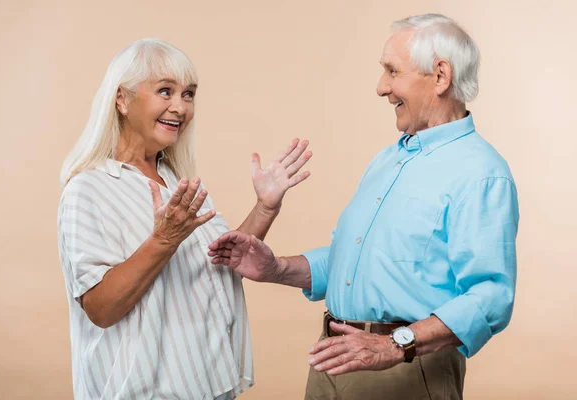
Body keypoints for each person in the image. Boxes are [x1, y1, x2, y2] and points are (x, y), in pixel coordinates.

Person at [208, 13, 519, 399]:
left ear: (440, 76)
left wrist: (395, 345)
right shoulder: (387, 160)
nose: (381, 88)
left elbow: (491, 297)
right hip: (334, 361)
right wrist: (278, 269)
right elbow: (355, 262)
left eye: (392, 71)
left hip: (405, 368)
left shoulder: (481, 173)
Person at [57, 38, 312, 399]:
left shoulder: (175, 180)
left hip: (205, 383)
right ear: (122, 99)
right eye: (165, 91)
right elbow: (100, 308)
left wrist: (265, 207)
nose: (180, 107)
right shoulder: (89, 189)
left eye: (188, 94)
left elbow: (221, 261)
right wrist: (163, 239)